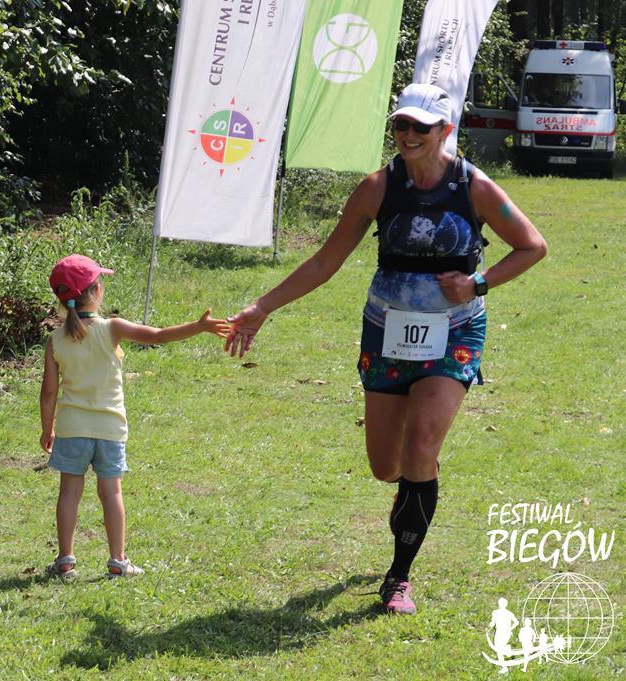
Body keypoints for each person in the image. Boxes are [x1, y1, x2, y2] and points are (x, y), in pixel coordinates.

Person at [226, 83, 547, 614]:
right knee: (385, 464)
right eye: (401, 124)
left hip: (454, 332)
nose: (408, 134)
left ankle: (399, 577)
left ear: (445, 130)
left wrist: (478, 283)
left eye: (421, 126)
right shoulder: (377, 188)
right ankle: (412, 489)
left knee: (421, 444)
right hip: (386, 331)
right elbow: (324, 261)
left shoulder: (474, 187)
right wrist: (262, 306)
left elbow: (532, 245)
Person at [39, 254, 230, 579]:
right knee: (111, 492)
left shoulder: (55, 340)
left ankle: (66, 561)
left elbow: (48, 392)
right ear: (97, 291)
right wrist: (198, 327)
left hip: (72, 429)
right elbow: (157, 336)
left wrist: (48, 430)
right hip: (110, 429)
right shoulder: (112, 328)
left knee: (69, 493)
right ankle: (118, 561)